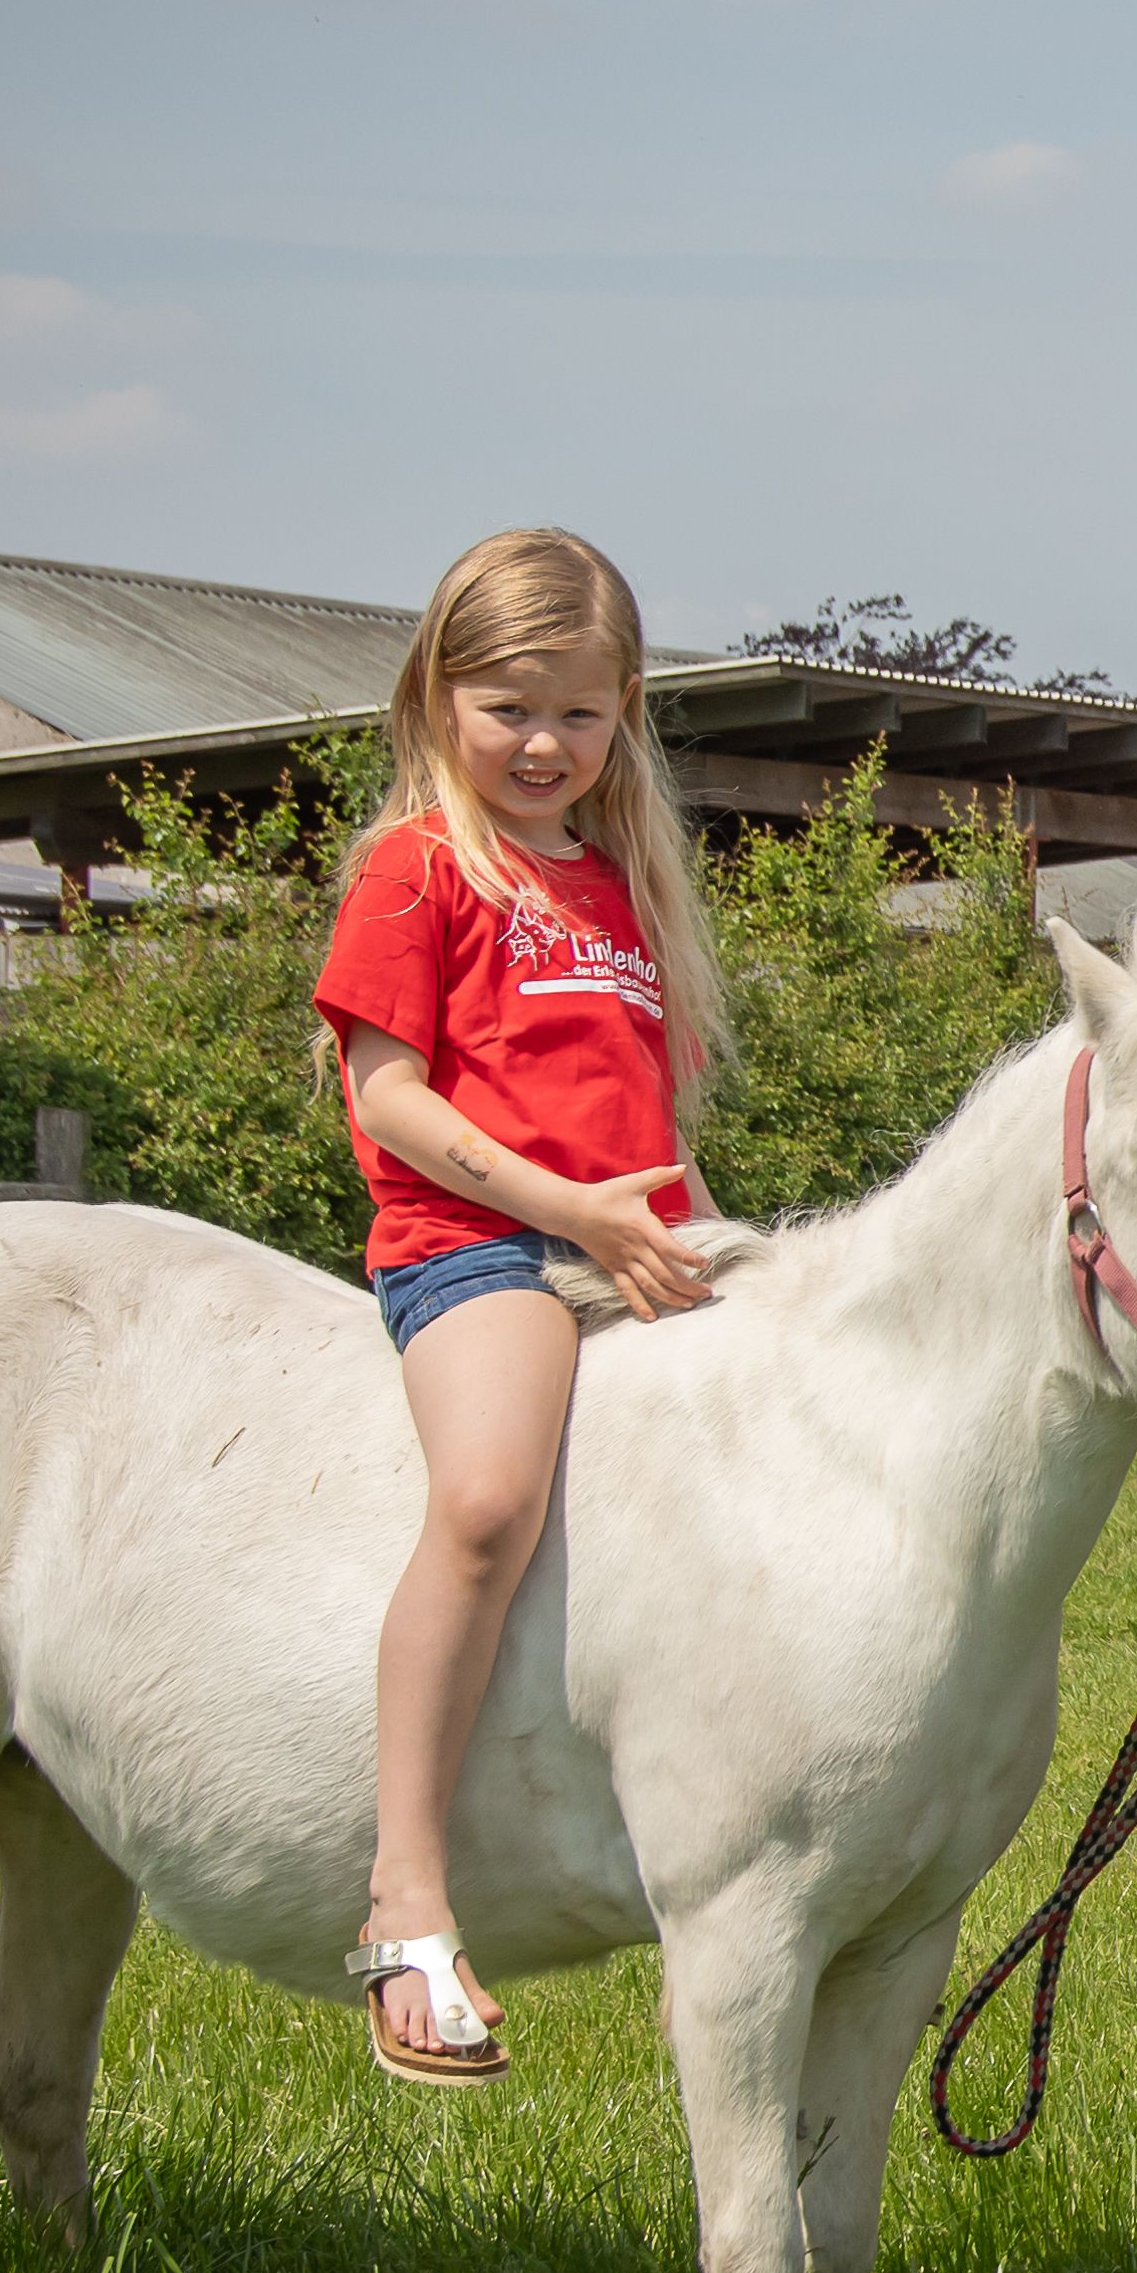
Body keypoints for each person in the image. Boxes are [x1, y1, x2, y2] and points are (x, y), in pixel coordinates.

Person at [309, 526, 729, 2088]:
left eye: (579, 712)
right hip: (480, 1243)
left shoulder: (622, 887)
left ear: (626, 711)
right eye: (506, 707)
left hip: (629, 1243)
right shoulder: (414, 868)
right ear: (437, 697)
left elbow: (639, 1114)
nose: (543, 744)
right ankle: (405, 1893)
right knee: (488, 1501)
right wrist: (567, 1217)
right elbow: (391, 1098)